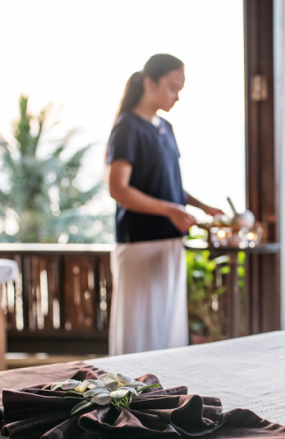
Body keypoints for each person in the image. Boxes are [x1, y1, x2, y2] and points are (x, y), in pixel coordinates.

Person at [106, 54, 222, 355]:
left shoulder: (166, 128)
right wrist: (170, 210)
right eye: (172, 88)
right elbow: (118, 189)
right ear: (150, 83)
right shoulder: (128, 127)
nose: (177, 97)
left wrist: (202, 207)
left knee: (168, 329)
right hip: (140, 244)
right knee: (140, 330)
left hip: (170, 242)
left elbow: (168, 183)